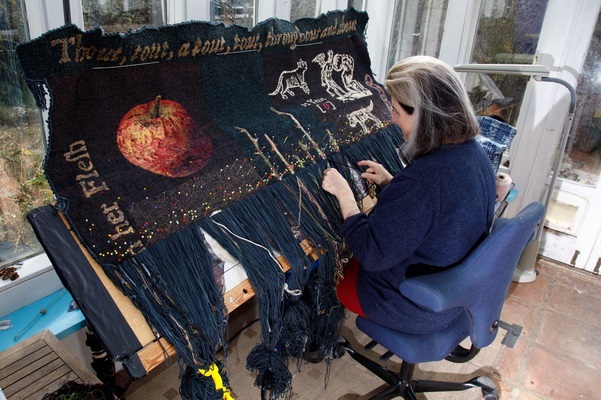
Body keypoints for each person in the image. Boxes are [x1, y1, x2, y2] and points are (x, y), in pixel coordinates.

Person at [322, 56, 496, 335]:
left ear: (424, 115)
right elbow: (438, 212)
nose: (392, 119)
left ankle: (316, 333)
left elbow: (371, 254)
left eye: (397, 112)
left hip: (414, 305)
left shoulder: (424, 179)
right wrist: (393, 183)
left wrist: (344, 194)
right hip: (454, 293)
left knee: (328, 267)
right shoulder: (474, 156)